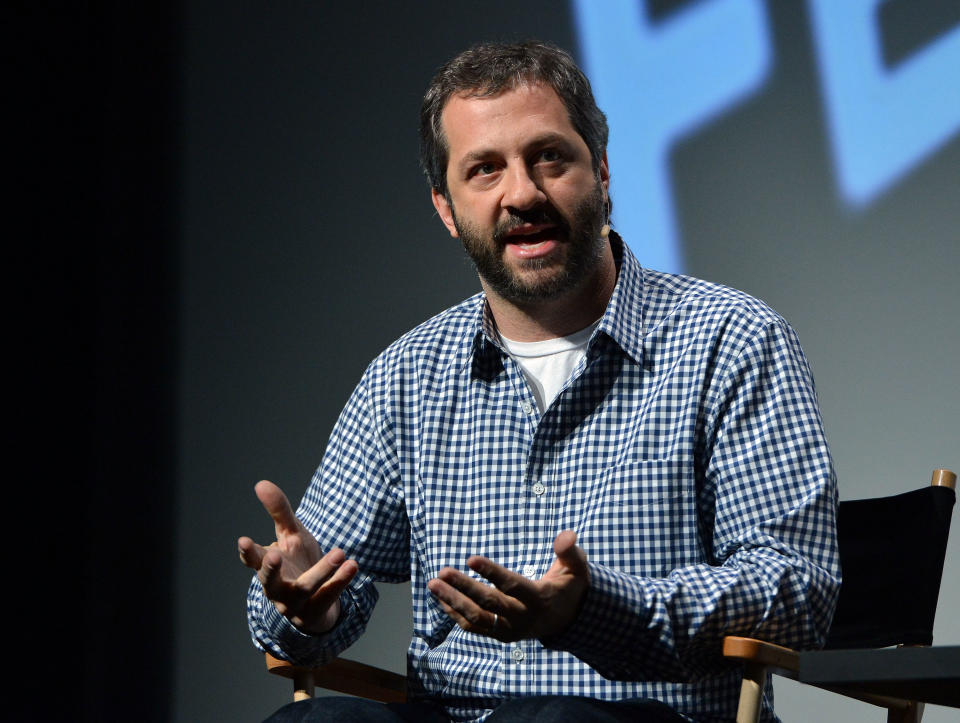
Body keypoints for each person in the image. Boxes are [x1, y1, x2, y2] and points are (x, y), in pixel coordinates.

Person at [239, 41, 840, 722]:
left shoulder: (732, 340)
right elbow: (305, 594)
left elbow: (797, 590)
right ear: (445, 207)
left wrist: (593, 610)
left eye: (549, 156)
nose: (522, 193)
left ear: (604, 171)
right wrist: (309, 606)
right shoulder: (406, 377)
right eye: (485, 169)